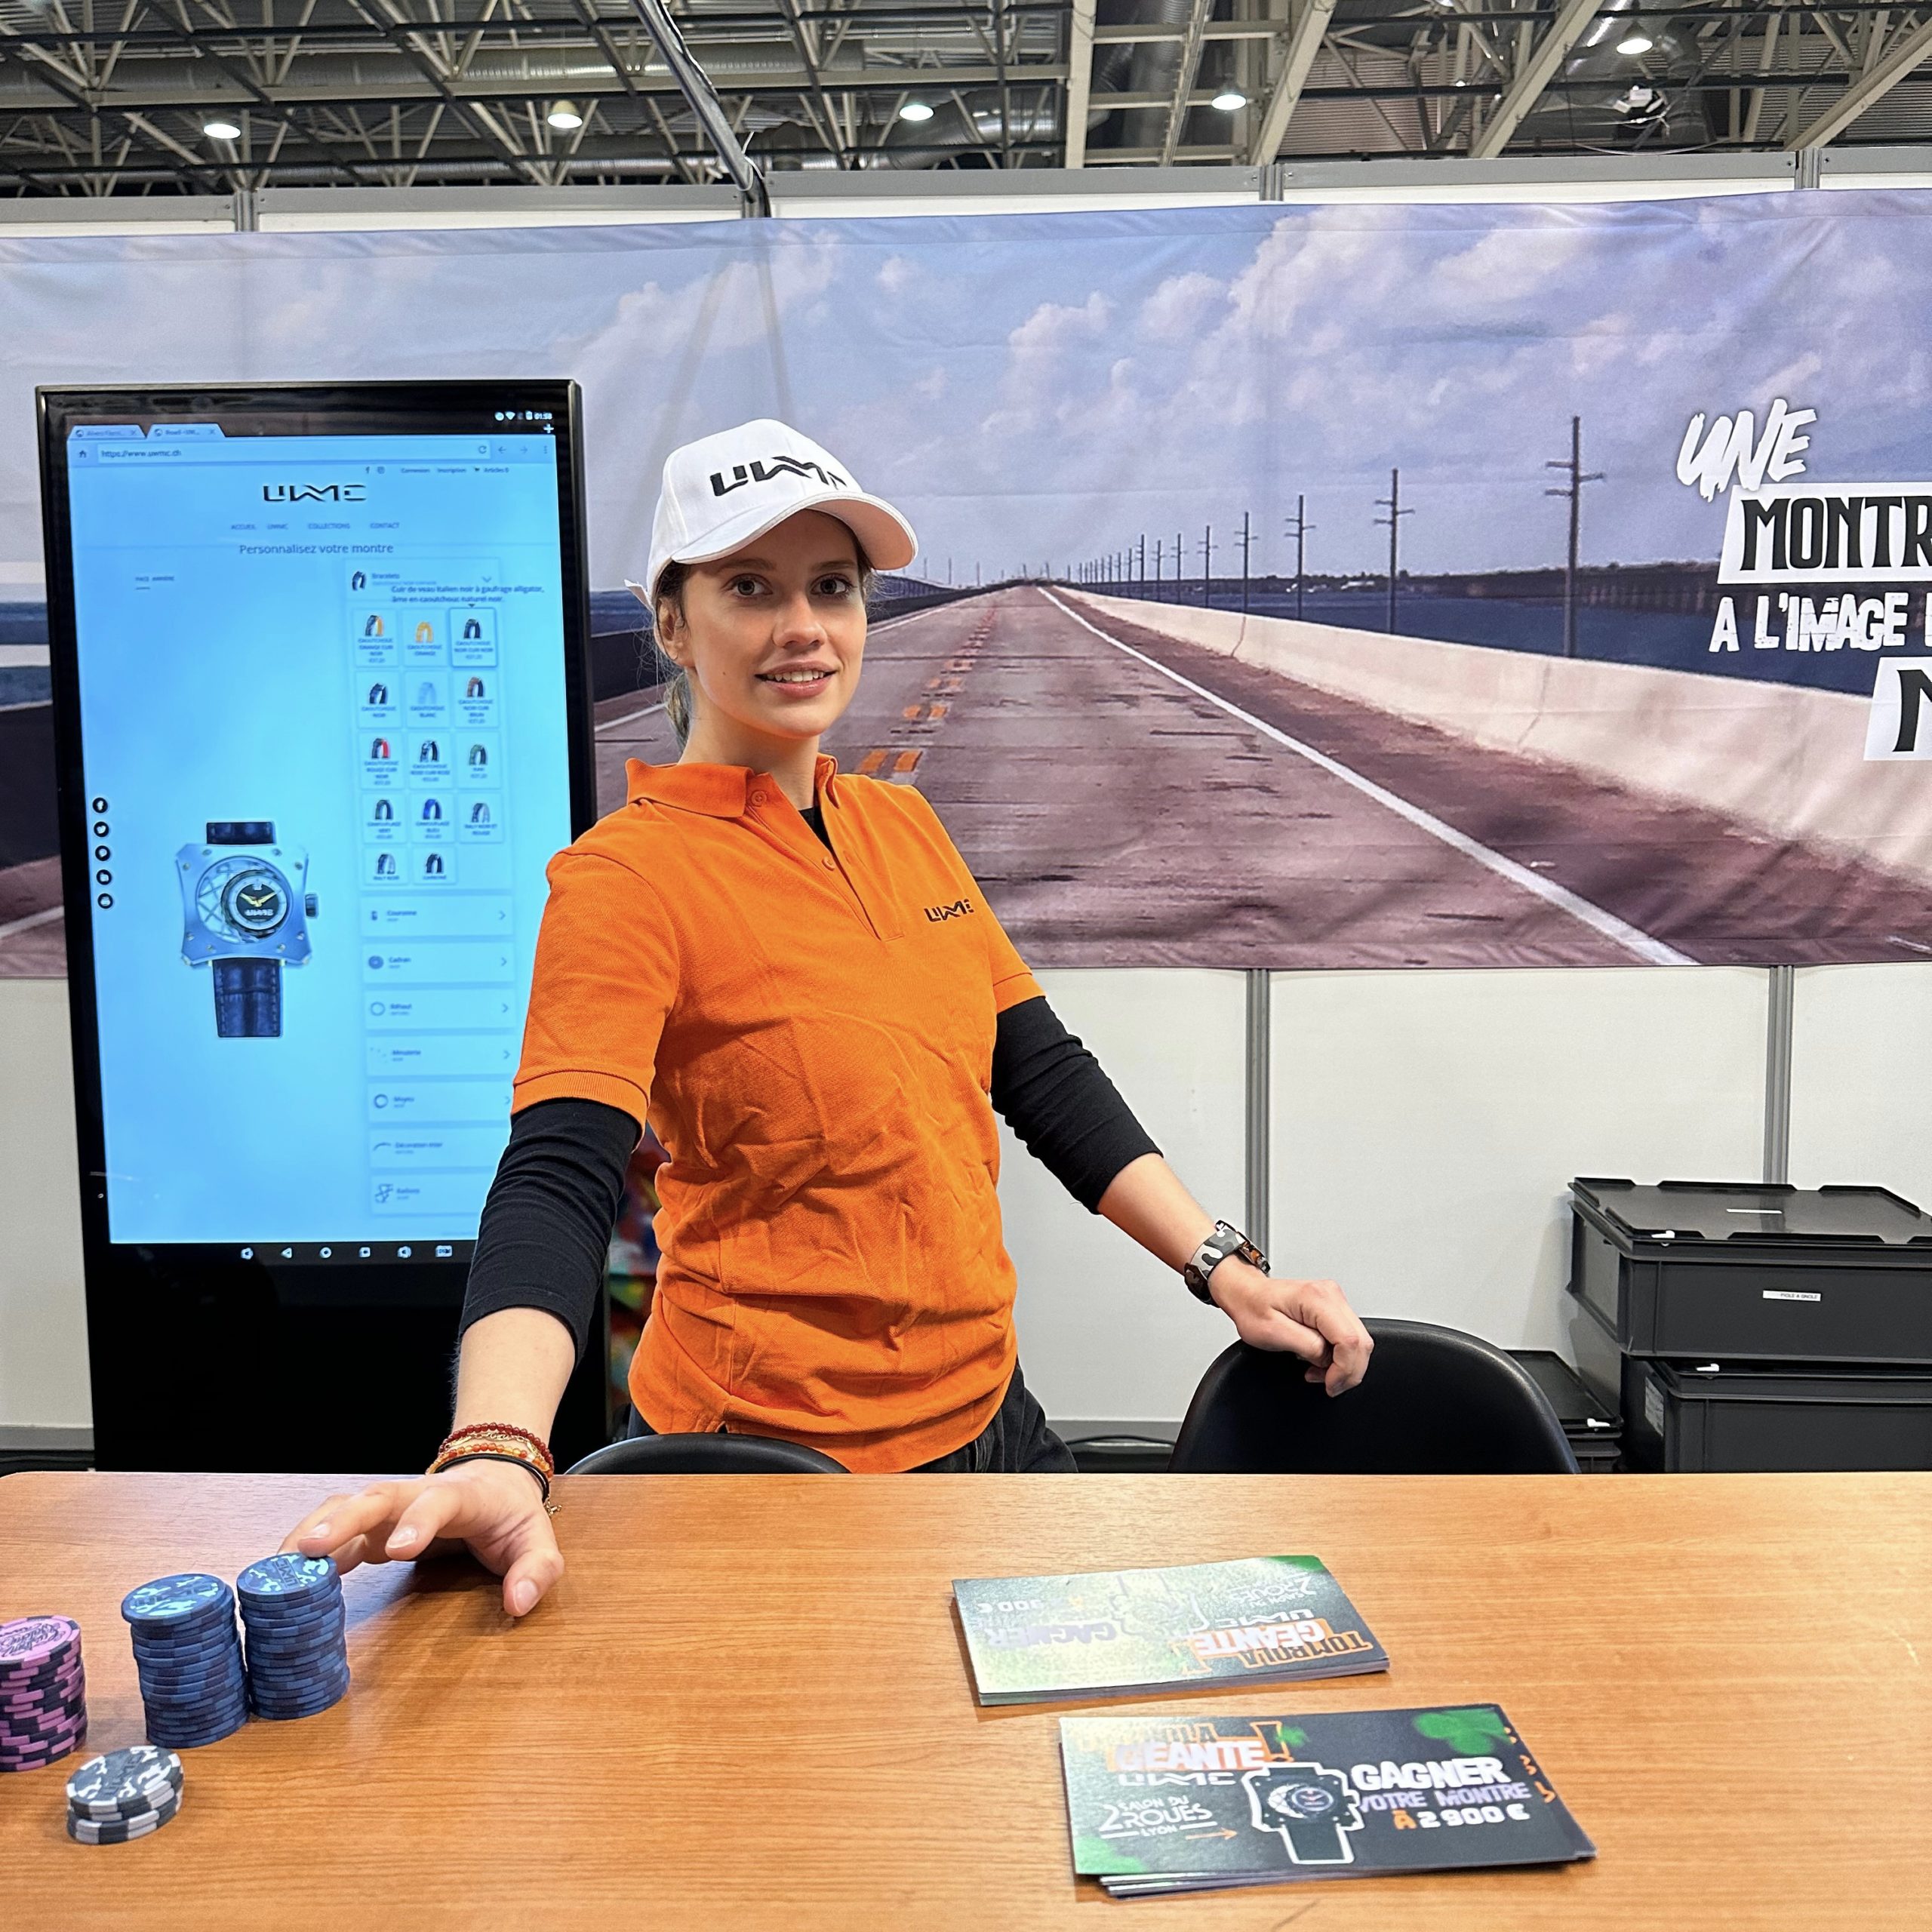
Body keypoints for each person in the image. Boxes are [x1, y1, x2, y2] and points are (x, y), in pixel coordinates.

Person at [283, 420, 1371, 1616]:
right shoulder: (624, 880)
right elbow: (558, 1175)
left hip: (991, 1416)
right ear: (672, 623)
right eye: (751, 588)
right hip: (766, 1460)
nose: (802, 626)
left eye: (832, 588)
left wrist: (1225, 1269)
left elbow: (1041, 1073)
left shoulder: (904, 825)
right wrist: (497, 1445)